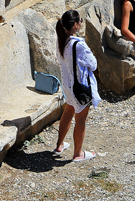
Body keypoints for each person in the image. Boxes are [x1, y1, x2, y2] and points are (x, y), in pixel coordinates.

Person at [53, 10, 101, 161]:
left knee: (68, 111)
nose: (81, 21)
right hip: (80, 88)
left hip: (67, 85)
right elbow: (93, 64)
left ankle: (59, 145)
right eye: (80, 20)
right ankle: (78, 154)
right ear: (75, 24)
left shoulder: (61, 40)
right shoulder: (79, 45)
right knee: (80, 119)